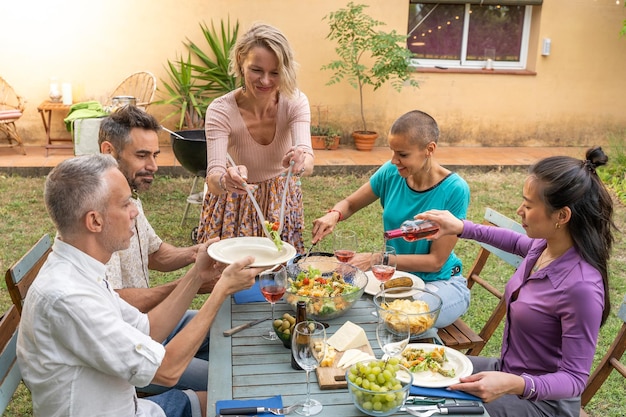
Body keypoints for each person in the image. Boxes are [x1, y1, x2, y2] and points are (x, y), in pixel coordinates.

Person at [16, 154, 263, 417]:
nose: (135, 211)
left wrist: (197, 276)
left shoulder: (81, 271)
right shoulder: (69, 297)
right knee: (243, 400)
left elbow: (147, 330)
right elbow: (167, 371)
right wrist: (221, 289)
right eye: (125, 204)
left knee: (245, 401)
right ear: (95, 221)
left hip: (136, 408)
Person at [416, 146, 616, 417]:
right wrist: (461, 227)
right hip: (507, 371)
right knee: (416, 374)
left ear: (562, 216)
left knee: (439, 410)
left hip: (544, 403)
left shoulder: (581, 287)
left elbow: (574, 379)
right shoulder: (543, 248)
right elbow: (513, 241)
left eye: (529, 205)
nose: (519, 210)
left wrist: (514, 384)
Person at [311, 110, 471, 330]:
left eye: (403, 154)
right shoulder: (392, 172)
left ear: (429, 149)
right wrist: (334, 215)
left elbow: (436, 261)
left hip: (440, 283)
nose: (395, 160)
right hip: (394, 281)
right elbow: (350, 204)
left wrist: (377, 259)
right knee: (339, 302)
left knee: (402, 321)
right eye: (393, 152)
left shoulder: (454, 189)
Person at [98, 105, 208, 394]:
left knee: (221, 325)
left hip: (149, 326)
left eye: (155, 155)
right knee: (224, 375)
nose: (154, 166)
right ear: (109, 152)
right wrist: (191, 283)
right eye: (142, 155)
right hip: (133, 350)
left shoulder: (129, 200)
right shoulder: (96, 216)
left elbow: (155, 254)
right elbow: (115, 303)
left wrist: (199, 252)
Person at [196, 22, 314, 254]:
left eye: (275, 72)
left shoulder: (295, 102)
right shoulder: (221, 110)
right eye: (257, 70)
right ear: (241, 60)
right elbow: (214, 175)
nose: (266, 81)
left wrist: (300, 161)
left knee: (280, 274)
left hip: (280, 200)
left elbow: (307, 157)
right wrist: (225, 181)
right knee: (233, 279)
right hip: (234, 201)